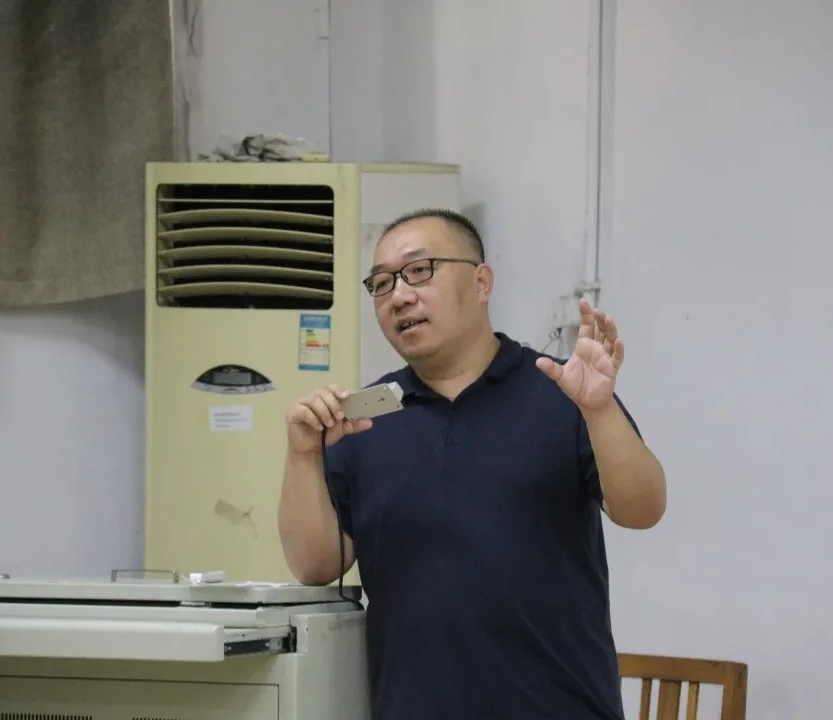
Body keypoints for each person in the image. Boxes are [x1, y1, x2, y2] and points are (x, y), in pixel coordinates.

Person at [277, 208, 667, 720]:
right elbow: (316, 566)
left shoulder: (560, 392)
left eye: (420, 271)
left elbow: (642, 510)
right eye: (382, 283)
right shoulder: (365, 419)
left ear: (482, 282)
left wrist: (600, 410)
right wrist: (303, 454)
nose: (399, 296)